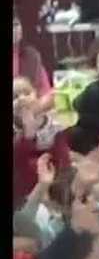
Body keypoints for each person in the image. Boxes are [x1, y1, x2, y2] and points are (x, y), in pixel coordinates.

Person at [13, 74, 70, 205]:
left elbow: (63, 158)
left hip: (54, 182)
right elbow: (17, 161)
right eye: (15, 97)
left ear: (37, 96)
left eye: (26, 93)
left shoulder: (54, 125)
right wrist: (28, 135)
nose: (21, 99)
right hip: (24, 189)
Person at [13, 9, 54, 112]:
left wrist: (33, 109)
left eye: (16, 24)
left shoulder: (31, 56)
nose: (14, 29)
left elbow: (47, 94)